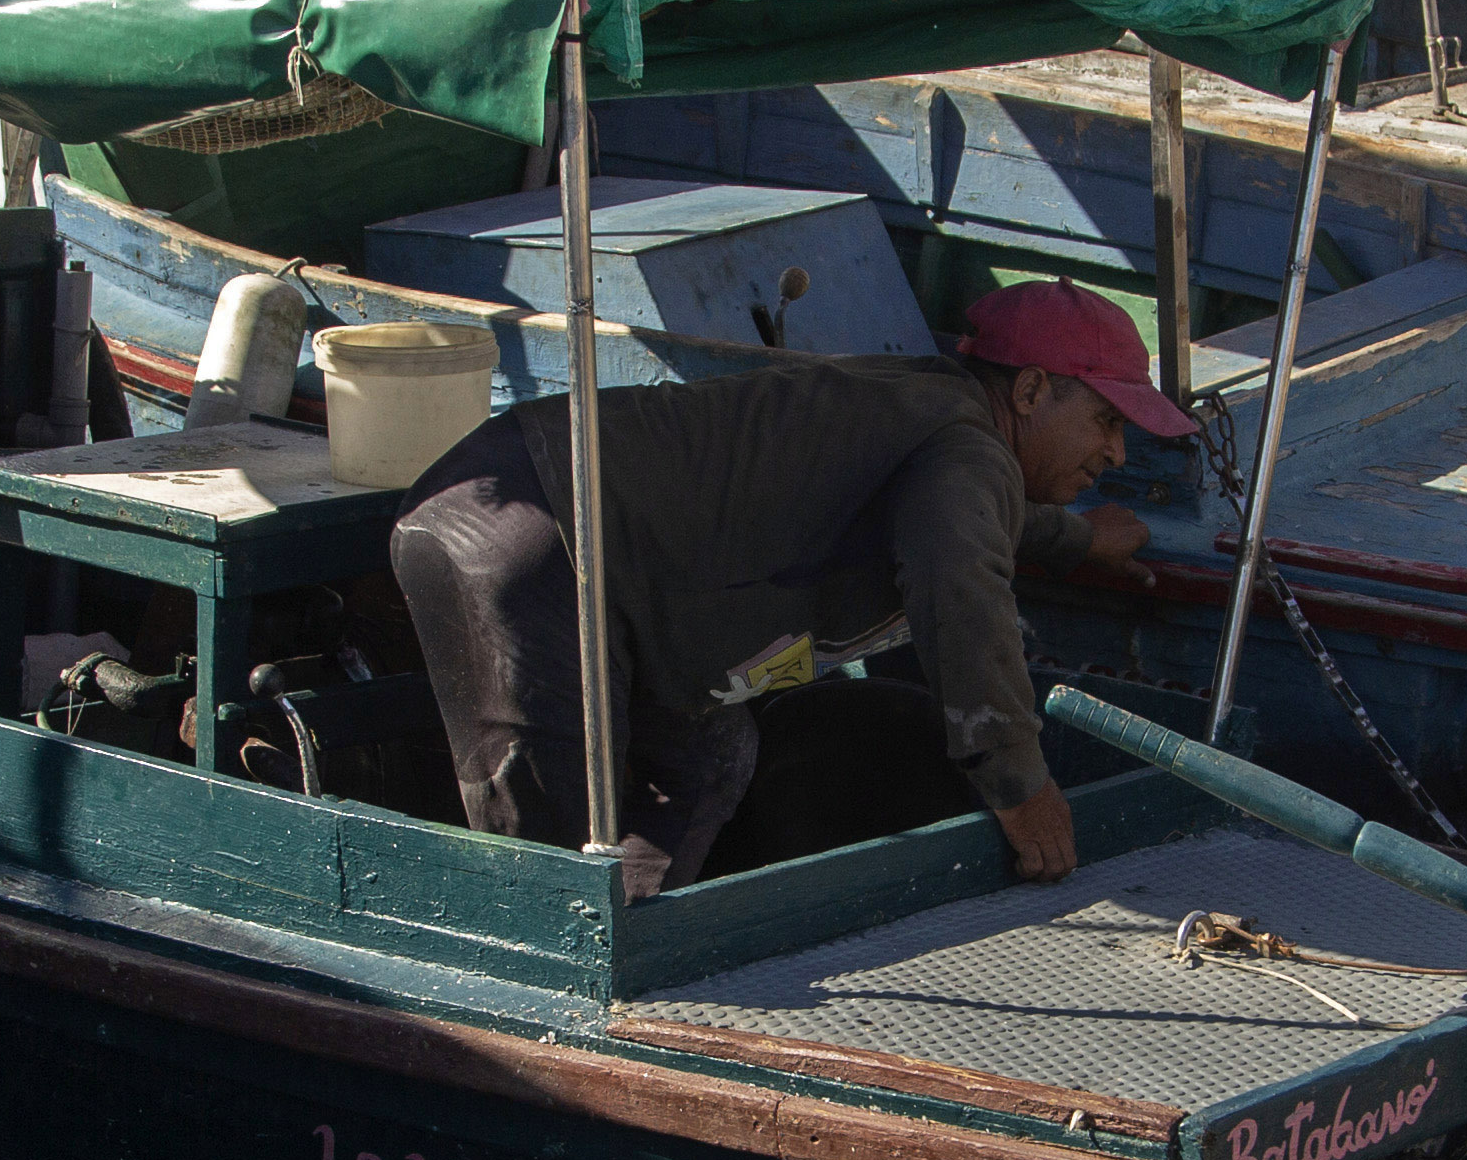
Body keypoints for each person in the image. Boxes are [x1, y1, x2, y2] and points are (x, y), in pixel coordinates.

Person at [389, 281, 1164, 898]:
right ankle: (553, 1015)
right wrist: (1021, 787)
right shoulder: (966, 447)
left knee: (710, 756)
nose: (1118, 450)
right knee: (552, 855)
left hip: (607, 567)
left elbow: (967, 520)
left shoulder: (945, 426)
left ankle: (639, 951)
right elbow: (959, 586)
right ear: (1030, 390)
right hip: (529, 528)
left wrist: (1085, 539)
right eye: (1105, 419)